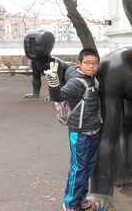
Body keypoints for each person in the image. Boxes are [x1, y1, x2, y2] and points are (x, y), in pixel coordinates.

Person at [44, 48, 102, 211]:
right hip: (80, 134)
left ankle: (81, 198)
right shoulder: (76, 82)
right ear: (79, 63)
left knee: (88, 166)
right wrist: (53, 84)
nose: (91, 66)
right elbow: (59, 96)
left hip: (94, 131)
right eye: (87, 63)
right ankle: (70, 204)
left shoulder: (93, 78)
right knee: (78, 169)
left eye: (95, 63)